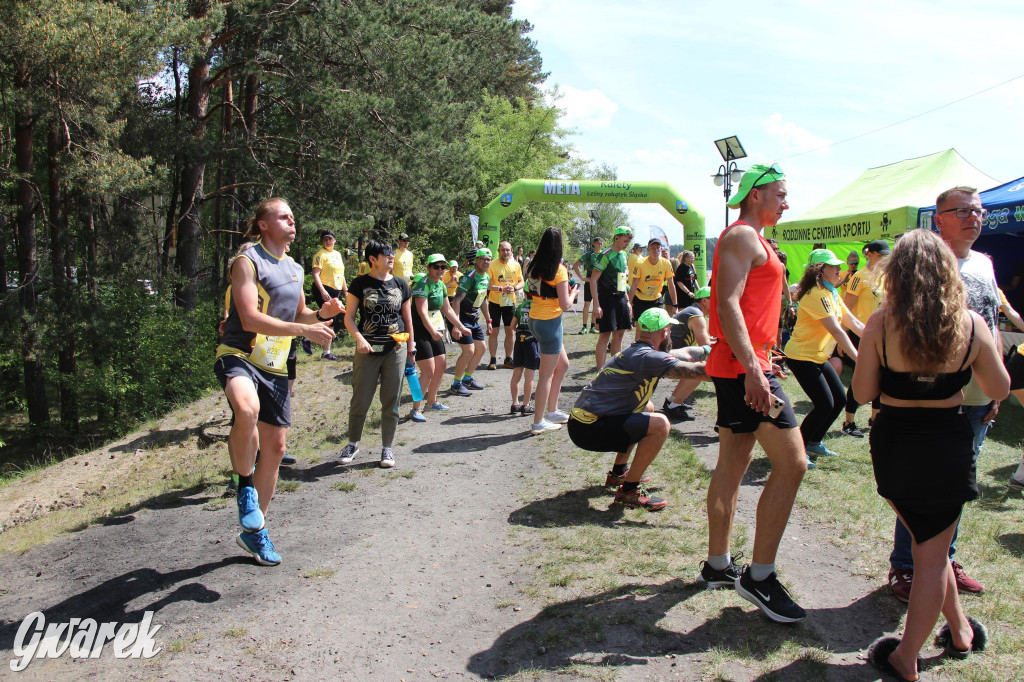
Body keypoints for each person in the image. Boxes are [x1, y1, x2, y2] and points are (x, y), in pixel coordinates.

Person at [855, 230, 1007, 682]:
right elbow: (998, 388)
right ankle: (952, 634)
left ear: (896, 274)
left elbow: (863, 393)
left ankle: (914, 653)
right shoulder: (971, 324)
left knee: (928, 551)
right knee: (931, 552)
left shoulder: (881, 325)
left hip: (897, 444)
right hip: (947, 443)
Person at [701, 164, 808, 623]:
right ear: (756, 195)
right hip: (744, 368)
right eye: (780, 195)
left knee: (733, 462)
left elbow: (749, 307)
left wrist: (763, 353)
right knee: (794, 463)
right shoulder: (742, 235)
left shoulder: (756, 238)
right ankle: (759, 577)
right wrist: (753, 367)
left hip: (747, 362)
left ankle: (717, 565)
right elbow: (726, 302)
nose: (786, 202)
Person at [886, 186, 999, 602]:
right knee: (917, 486)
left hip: (976, 396)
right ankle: (906, 567)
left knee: (957, 485)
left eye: (979, 210)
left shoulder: (985, 264)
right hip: (929, 397)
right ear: (939, 219)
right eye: (964, 210)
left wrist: (995, 389)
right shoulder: (923, 264)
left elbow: (988, 321)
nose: (975, 217)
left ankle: (943, 563)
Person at [215, 198, 342, 566]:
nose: (292, 221)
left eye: (293, 215)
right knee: (245, 408)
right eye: (284, 216)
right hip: (239, 353)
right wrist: (305, 328)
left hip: (275, 364)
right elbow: (251, 318)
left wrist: (321, 313)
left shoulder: (295, 267)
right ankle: (244, 488)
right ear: (264, 224)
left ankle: (256, 532)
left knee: (275, 448)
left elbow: (299, 311)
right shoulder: (246, 262)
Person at [569, 308, 707, 510]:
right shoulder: (647, 358)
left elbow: (685, 353)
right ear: (665, 331)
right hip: (589, 430)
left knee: (648, 406)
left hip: (582, 425)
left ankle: (619, 473)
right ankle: (628, 491)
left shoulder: (638, 351)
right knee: (660, 424)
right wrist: (740, 368)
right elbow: (695, 372)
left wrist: (709, 350)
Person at [783, 249, 865, 463]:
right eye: (834, 266)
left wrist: (877, 340)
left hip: (818, 357)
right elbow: (837, 330)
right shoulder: (815, 294)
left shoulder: (831, 293)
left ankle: (813, 442)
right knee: (824, 404)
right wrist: (860, 359)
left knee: (839, 400)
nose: (840, 269)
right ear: (820, 270)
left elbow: (853, 323)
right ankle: (796, 450)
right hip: (802, 357)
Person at [340, 240, 414, 469]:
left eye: (392, 253)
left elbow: (408, 319)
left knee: (391, 400)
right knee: (360, 399)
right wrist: (359, 339)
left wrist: (411, 348)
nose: (391, 257)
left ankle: (387, 448)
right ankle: (353, 443)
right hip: (368, 349)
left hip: (396, 349)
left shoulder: (402, 284)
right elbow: (349, 317)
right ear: (372, 258)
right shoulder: (360, 283)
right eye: (386, 254)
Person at [525, 227, 575, 434]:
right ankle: (538, 422)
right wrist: (575, 293)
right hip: (550, 323)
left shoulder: (532, 265)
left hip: (535, 319)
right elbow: (565, 304)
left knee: (562, 365)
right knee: (545, 376)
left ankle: (552, 411)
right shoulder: (559, 269)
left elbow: (529, 293)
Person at [408, 253, 468, 422]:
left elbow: (447, 309)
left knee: (441, 366)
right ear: (428, 268)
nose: (441, 270)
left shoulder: (441, 285)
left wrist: (461, 326)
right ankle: (415, 408)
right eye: (437, 266)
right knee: (428, 371)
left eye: (443, 267)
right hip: (420, 331)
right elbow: (422, 312)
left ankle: (431, 402)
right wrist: (433, 332)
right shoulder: (422, 285)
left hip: (435, 331)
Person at [840, 239, 889, 437]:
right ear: (870, 254)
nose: (885, 258)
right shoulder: (859, 277)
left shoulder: (887, 276)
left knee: (881, 377)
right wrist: (841, 337)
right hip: (862, 334)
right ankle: (849, 421)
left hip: (883, 334)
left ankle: (875, 418)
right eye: (881, 255)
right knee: (862, 375)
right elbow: (846, 309)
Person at [663, 285, 712, 420]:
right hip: (666, 358)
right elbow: (706, 346)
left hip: (667, 353)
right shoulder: (697, 316)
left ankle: (672, 402)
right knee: (702, 368)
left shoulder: (693, 311)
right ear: (704, 300)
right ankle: (673, 406)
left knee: (696, 362)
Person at [450, 248, 492, 396]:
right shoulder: (469, 277)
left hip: (474, 318)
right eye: (483, 259)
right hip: (461, 317)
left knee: (481, 349)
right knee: (469, 350)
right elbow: (456, 300)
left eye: (489, 259)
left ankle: (467, 379)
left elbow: (484, 300)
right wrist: (456, 325)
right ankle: (456, 384)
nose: (486, 262)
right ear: (476, 260)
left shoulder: (486, 277)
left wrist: (488, 320)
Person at [591, 226, 634, 369]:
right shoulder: (605, 255)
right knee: (604, 335)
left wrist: (627, 300)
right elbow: (593, 280)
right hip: (606, 299)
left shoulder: (623, 255)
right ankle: (600, 372)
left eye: (628, 242)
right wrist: (596, 304)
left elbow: (623, 279)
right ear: (616, 238)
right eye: (625, 240)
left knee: (619, 334)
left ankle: (614, 370)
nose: (627, 244)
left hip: (620, 298)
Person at [486, 241, 524, 370]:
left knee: (510, 330)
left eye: (507, 250)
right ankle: (493, 359)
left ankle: (508, 359)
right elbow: (487, 285)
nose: (505, 252)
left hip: (509, 303)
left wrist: (514, 288)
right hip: (495, 302)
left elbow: (521, 281)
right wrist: (501, 289)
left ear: (511, 250)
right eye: (502, 250)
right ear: (498, 251)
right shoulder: (492, 265)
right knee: (494, 331)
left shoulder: (516, 265)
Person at [310, 230, 348, 361]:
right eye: (325, 239)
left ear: (334, 240)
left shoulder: (337, 254)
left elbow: (341, 274)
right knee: (329, 318)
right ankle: (326, 352)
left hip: (335, 289)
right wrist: (322, 290)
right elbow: (315, 274)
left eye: (330, 239)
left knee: (331, 318)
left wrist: (346, 291)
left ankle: (307, 336)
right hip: (324, 287)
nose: (328, 241)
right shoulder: (320, 254)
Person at [629, 237, 678, 323]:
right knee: (641, 328)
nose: (655, 250)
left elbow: (671, 284)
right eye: (652, 248)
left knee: (658, 326)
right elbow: (634, 284)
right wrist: (629, 303)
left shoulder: (666, 263)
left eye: (657, 248)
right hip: (641, 298)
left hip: (656, 298)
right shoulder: (640, 263)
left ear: (661, 249)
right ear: (648, 249)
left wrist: (675, 304)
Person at [509, 297, 538, 415]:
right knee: (529, 375)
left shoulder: (521, 306)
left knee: (517, 373)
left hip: (519, 341)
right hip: (532, 341)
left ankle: (515, 404)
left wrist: (520, 333)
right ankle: (526, 405)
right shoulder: (537, 306)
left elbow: (512, 326)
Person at [572, 236, 604, 335]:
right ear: (594, 244)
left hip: (600, 283)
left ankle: (593, 326)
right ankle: (584, 326)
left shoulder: (604, 255)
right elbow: (575, 265)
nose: (599, 245)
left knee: (596, 304)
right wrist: (582, 278)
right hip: (589, 282)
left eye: (601, 243)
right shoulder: (589, 255)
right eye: (598, 243)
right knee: (586, 303)